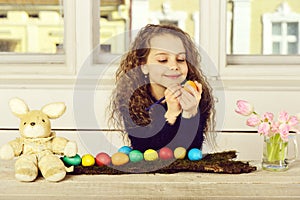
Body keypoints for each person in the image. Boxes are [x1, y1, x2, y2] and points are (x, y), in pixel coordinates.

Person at [108, 24, 215, 153]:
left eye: (181, 59)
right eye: (163, 60)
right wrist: (171, 115)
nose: (174, 66)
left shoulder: (195, 95)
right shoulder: (131, 99)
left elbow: (190, 151)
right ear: (143, 66)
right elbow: (145, 150)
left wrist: (190, 113)